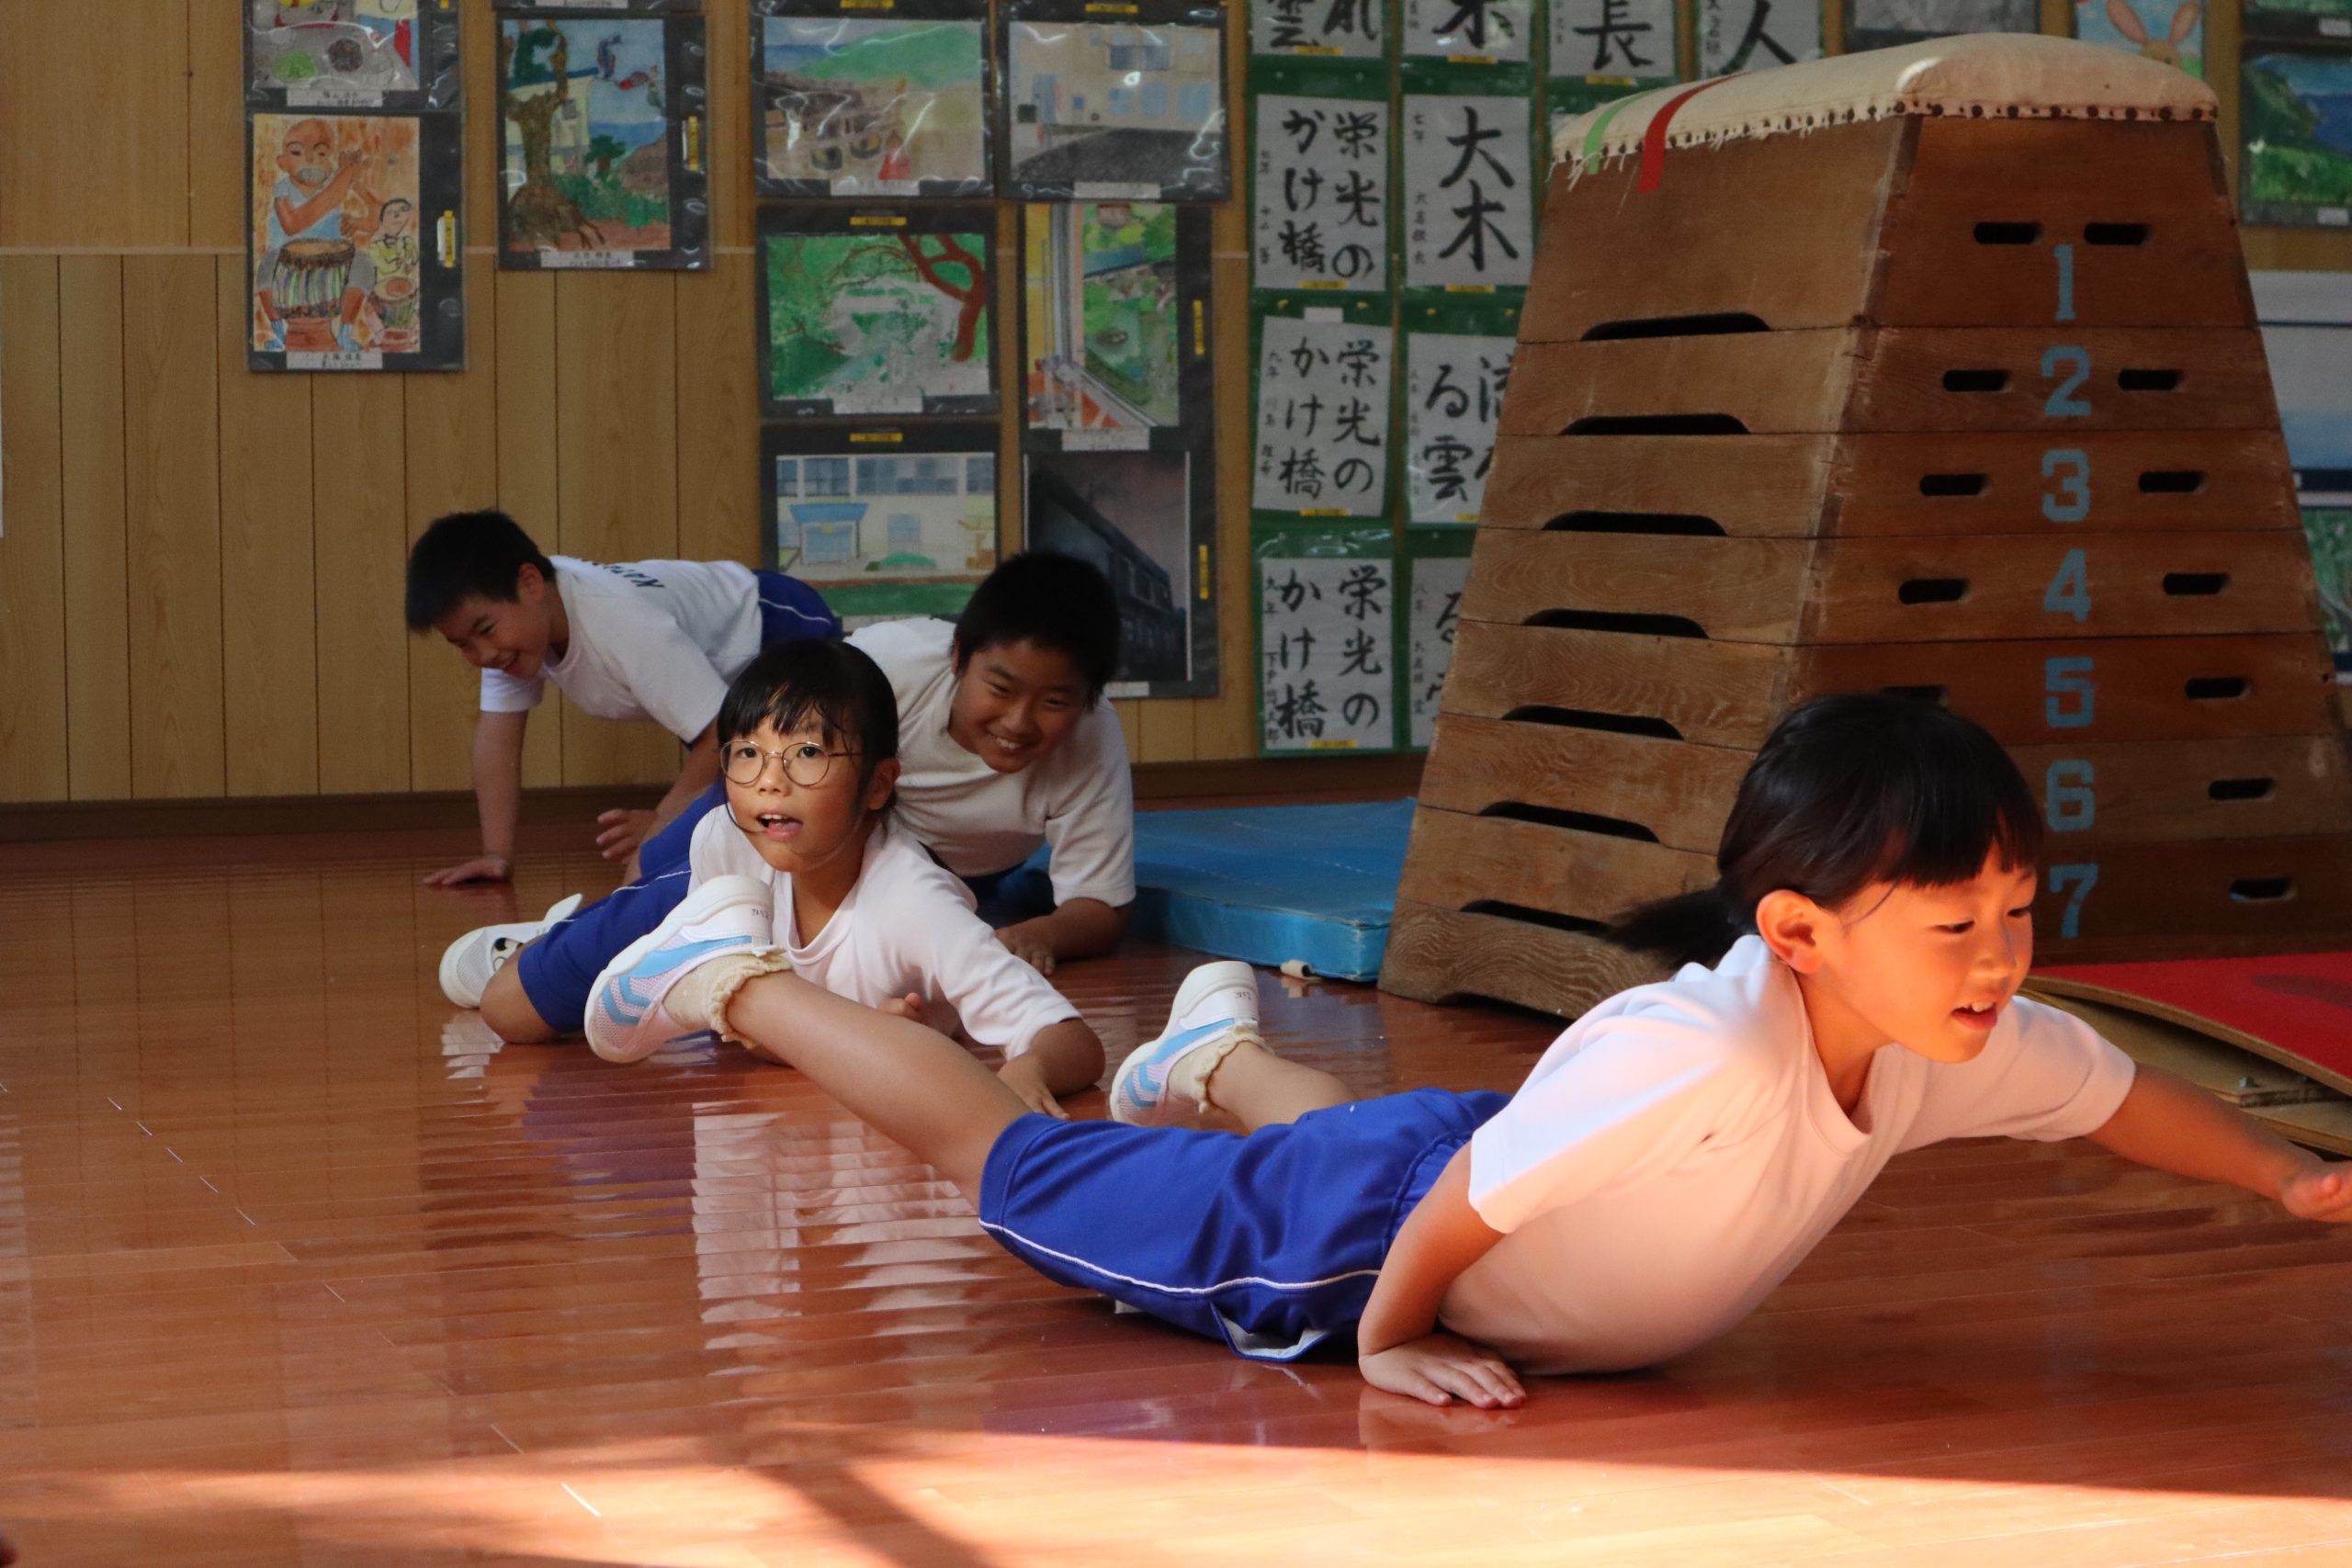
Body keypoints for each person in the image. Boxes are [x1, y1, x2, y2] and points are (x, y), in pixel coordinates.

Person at [579, 694, 2352, 1405]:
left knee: (1382, 1141)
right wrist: (1391, 1339)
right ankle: (736, 978)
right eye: (1957, 924)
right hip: (1367, 1238)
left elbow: (2119, 1097)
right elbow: (1463, 1209)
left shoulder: (1945, 1030)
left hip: (1453, 1155)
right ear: (1801, 932)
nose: (2002, 959)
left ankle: (1215, 1061)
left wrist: (2288, 1176)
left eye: (2018, 911)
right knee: (1010, 1161)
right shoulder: (1701, 1057)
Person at [447, 552, 1135, 1043]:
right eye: (1001, 688)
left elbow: (1099, 908)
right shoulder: (888, 665)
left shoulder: (1083, 751)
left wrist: (1037, 935)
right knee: (608, 922)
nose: (1019, 721)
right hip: (781, 839)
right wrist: (654, 861)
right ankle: (569, 935)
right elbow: (764, 763)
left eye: (1054, 702)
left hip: (894, 871)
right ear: (959, 658)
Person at [594, 637, 1113, 1117]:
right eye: (748, 753)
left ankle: (697, 980)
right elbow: (741, 1032)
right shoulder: (725, 838)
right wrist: (857, 1032)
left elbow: (1074, 1042)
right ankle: (696, 975)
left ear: (878, 784)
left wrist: (1027, 1071)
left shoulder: (914, 905)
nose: (770, 782)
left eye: (808, 754)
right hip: (798, 1093)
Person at [404, 510, 837, 998]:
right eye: (462, 645)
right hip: (732, 695)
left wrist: (660, 821)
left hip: (783, 622)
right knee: (682, 839)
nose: (482, 655)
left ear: (530, 584)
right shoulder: (519, 627)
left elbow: (718, 732)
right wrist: (496, 854)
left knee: (678, 845)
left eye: (484, 631)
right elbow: (498, 737)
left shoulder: (617, 621)